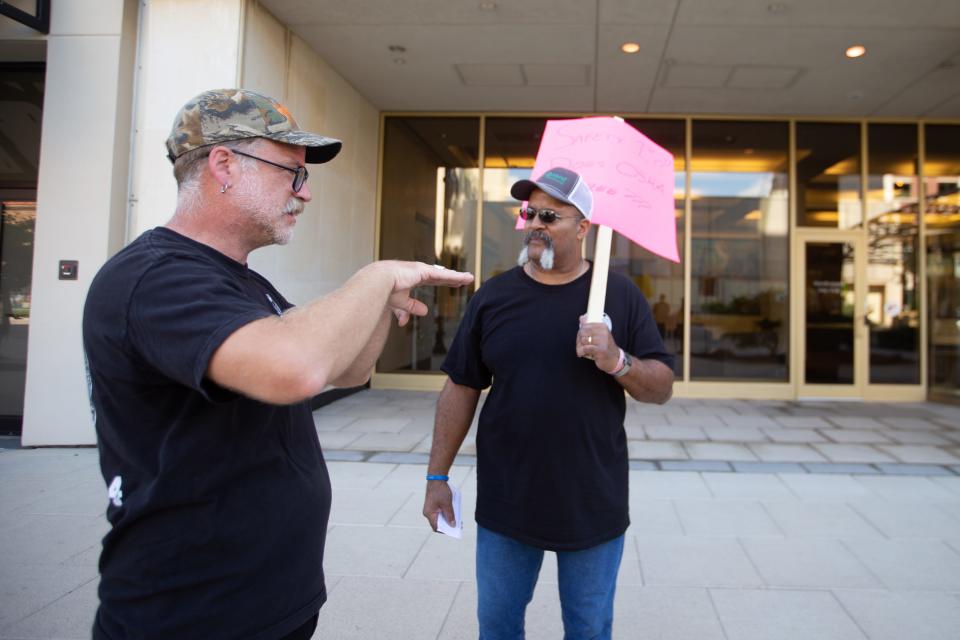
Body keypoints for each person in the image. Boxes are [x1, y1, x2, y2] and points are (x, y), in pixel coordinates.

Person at [83, 88, 473, 640]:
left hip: (267, 600)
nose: (305, 193)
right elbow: (298, 369)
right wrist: (375, 276)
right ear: (223, 165)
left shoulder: (239, 280)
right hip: (192, 611)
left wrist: (378, 308)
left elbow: (348, 372)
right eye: (292, 172)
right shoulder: (154, 278)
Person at [422, 167, 674, 640]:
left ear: (582, 228)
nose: (535, 222)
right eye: (529, 212)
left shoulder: (619, 295)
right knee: (497, 627)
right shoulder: (494, 298)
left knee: (588, 628)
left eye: (549, 215)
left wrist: (618, 360)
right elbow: (461, 386)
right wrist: (437, 475)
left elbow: (660, 387)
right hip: (507, 500)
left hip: (591, 500)